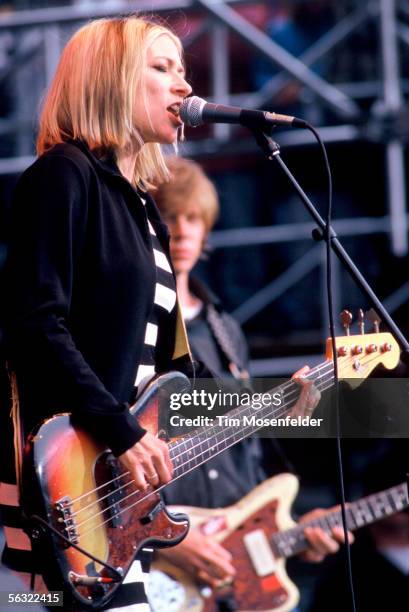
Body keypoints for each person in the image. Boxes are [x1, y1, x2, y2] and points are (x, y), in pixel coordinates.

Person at [0, 15, 193, 611]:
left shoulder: (141, 208)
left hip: (111, 509)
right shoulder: (65, 176)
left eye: (183, 70)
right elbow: (36, 321)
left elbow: (170, 377)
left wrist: (291, 401)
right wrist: (121, 429)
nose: (184, 87)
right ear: (109, 81)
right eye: (162, 69)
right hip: (61, 486)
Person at [150, 156, 352, 604]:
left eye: (193, 218)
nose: (182, 230)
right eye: (169, 216)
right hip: (161, 554)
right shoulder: (139, 324)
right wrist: (167, 536)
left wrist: (291, 529)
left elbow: (248, 460)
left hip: (230, 571)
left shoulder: (227, 332)